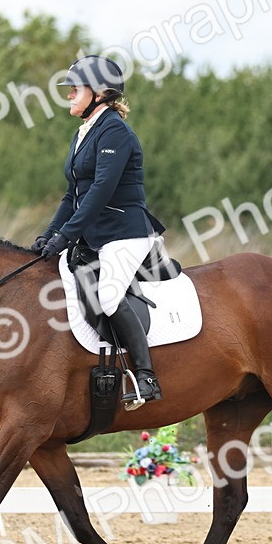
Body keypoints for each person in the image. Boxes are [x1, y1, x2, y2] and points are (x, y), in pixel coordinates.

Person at [32, 55, 165, 408]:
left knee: (108, 295)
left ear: (100, 93)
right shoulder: (84, 132)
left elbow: (100, 191)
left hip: (125, 233)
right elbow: (72, 194)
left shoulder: (115, 132)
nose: (69, 95)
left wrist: (67, 236)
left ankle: (146, 377)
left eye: (75, 89)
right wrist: (50, 234)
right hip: (96, 235)